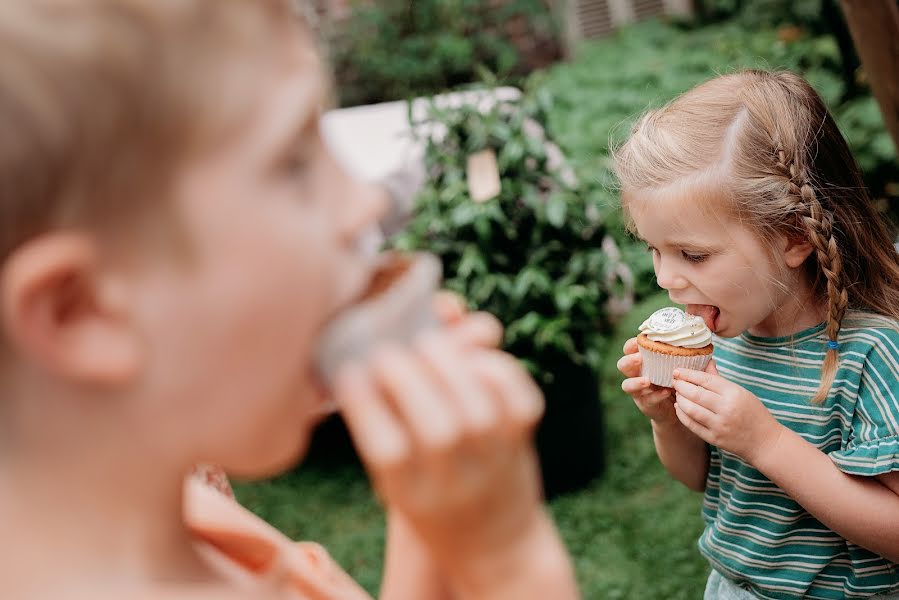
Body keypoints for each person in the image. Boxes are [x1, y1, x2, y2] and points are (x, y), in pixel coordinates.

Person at [0, 1, 579, 598]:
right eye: (294, 162)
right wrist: (509, 563)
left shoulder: (183, 521)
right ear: (81, 310)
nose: (369, 203)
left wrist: (431, 518)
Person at [614, 70, 899, 599]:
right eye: (654, 250)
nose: (664, 278)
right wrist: (668, 420)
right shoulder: (720, 340)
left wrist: (765, 442)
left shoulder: (869, 356)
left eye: (692, 255)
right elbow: (702, 480)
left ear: (794, 236)